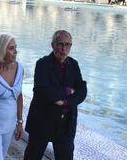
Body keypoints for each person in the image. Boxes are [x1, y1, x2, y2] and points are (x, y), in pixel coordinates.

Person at [24, 30, 87, 160]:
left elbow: (82, 90)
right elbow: (42, 92)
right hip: (42, 121)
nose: (64, 48)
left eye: (67, 44)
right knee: (32, 157)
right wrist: (68, 91)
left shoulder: (73, 64)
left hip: (66, 124)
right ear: (53, 45)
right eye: (60, 44)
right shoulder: (42, 64)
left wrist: (65, 102)